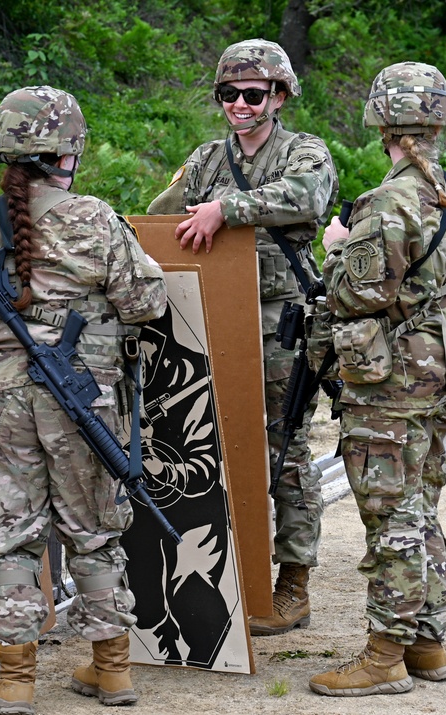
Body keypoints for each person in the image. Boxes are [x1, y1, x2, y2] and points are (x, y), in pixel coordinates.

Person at [0, 85, 167, 713]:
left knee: (11, 532)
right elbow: (145, 304)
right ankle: (112, 669)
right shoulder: (95, 218)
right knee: (92, 526)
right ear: (70, 150)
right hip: (80, 396)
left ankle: (14, 679)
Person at [147, 39, 339, 636]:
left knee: (284, 453)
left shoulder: (303, 152)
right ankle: (226, 571)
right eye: (228, 94)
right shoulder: (206, 159)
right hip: (215, 322)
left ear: (278, 96)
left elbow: (309, 195)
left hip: (281, 326)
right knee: (210, 448)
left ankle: (294, 581)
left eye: (252, 93)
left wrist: (225, 209)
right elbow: (160, 216)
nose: (239, 104)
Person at [308, 62, 446, 697]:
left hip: (393, 381)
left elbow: (357, 294)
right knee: (419, 502)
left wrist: (334, 248)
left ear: (383, 124)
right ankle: (427, 642)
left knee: (391, 514)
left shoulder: (388, 202)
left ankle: (385, 654)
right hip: (443, 371)